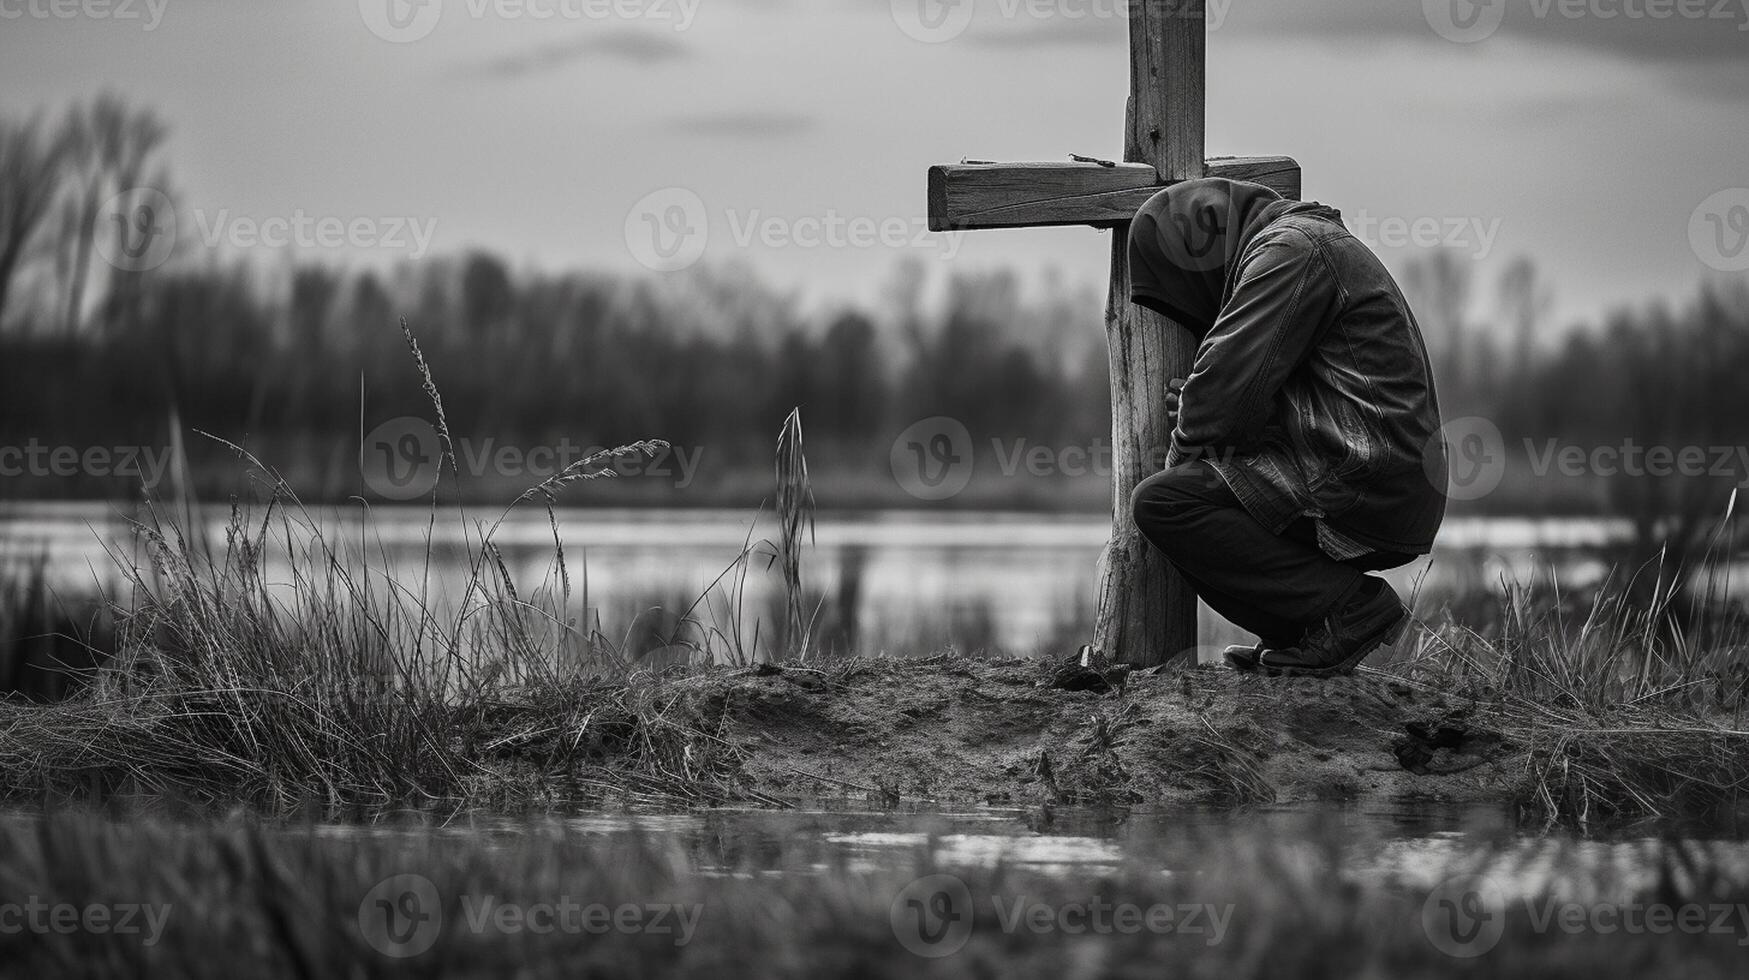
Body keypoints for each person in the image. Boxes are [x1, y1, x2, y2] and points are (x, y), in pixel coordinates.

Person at [1125, 178, 1448, 677]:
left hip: (1361, 478)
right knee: (1184, 500)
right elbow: (1276, 399)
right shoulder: (1300, 245)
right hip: (1365, 472)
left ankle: (1352, 609)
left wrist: (1188, 446)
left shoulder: (1291, 250)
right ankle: (1304, 633)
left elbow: (1222, 398)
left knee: (1166, 504)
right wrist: (1212, 419)